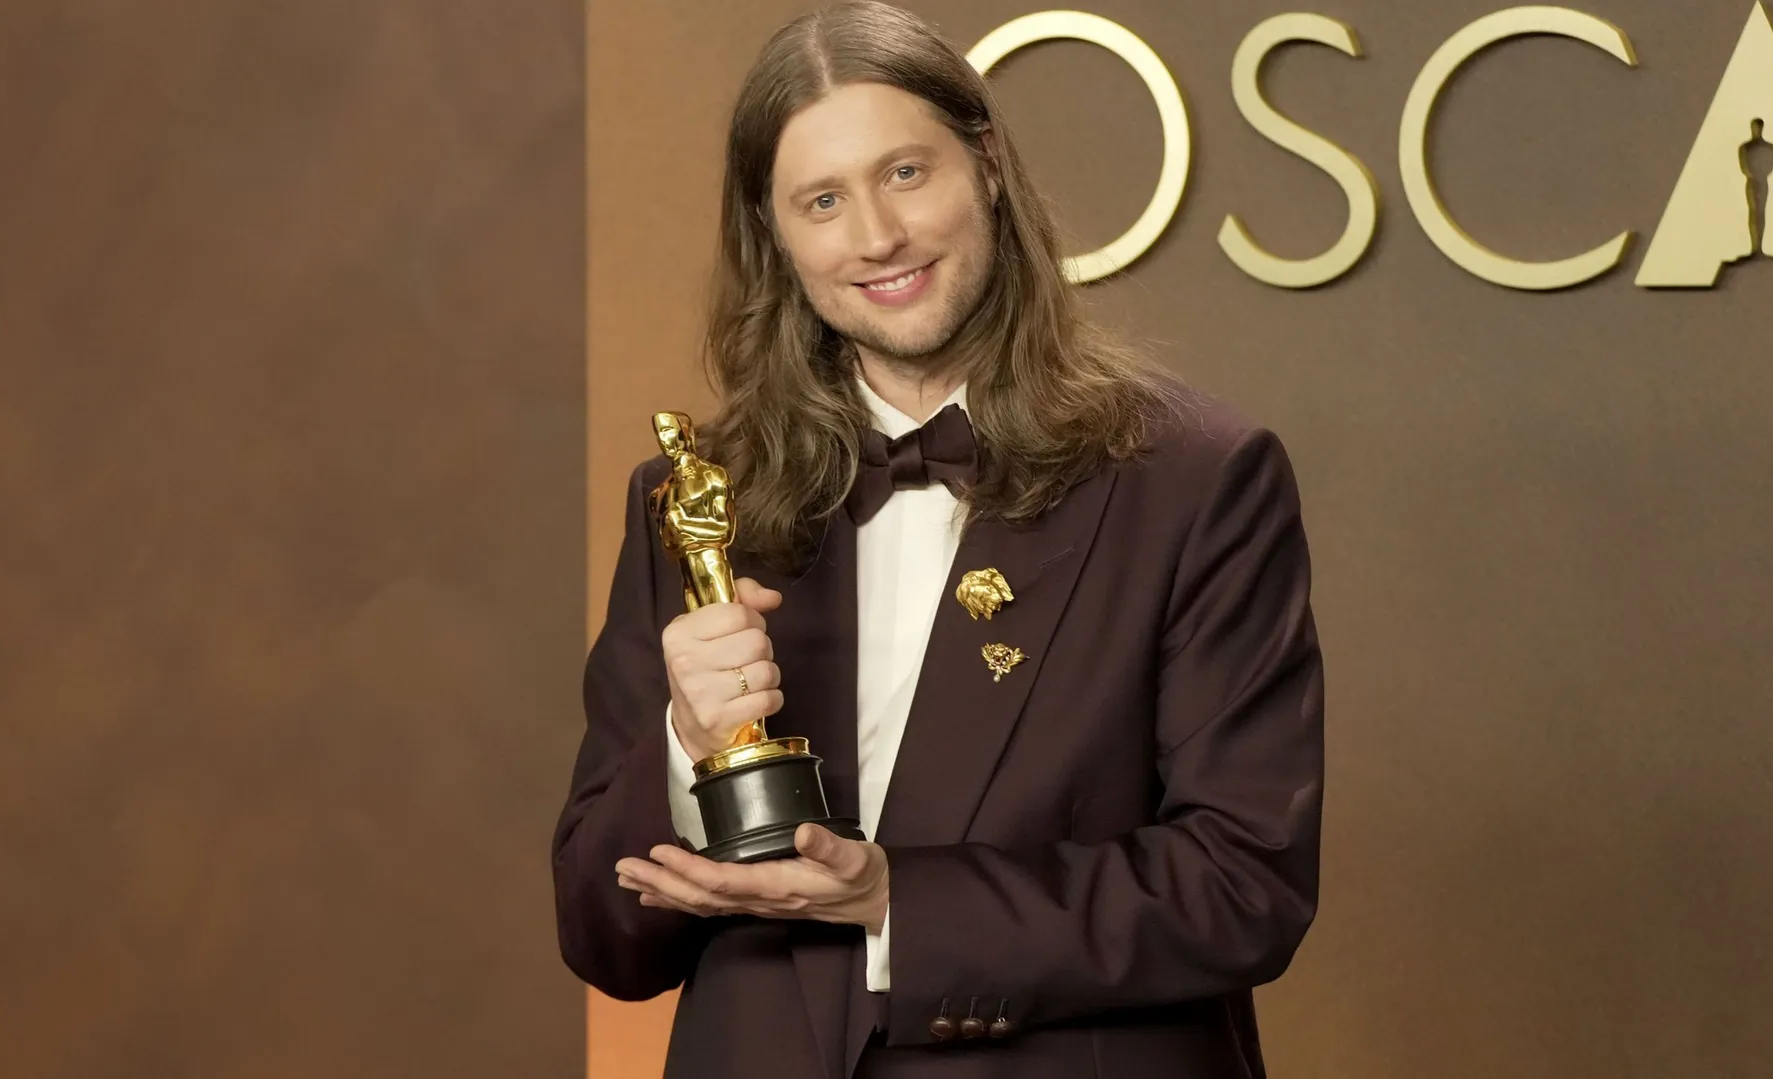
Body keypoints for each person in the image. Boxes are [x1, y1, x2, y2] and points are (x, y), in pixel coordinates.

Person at [552, 3, 1324, 1076]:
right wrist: (686, 747)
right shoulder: (695, 501)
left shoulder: (1196, 479)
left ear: (988, 166)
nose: (877, 236)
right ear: (775, 234)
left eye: (906, 173)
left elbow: (1244, 884)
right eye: (823, 200)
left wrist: (895, 903)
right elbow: (604, 937)